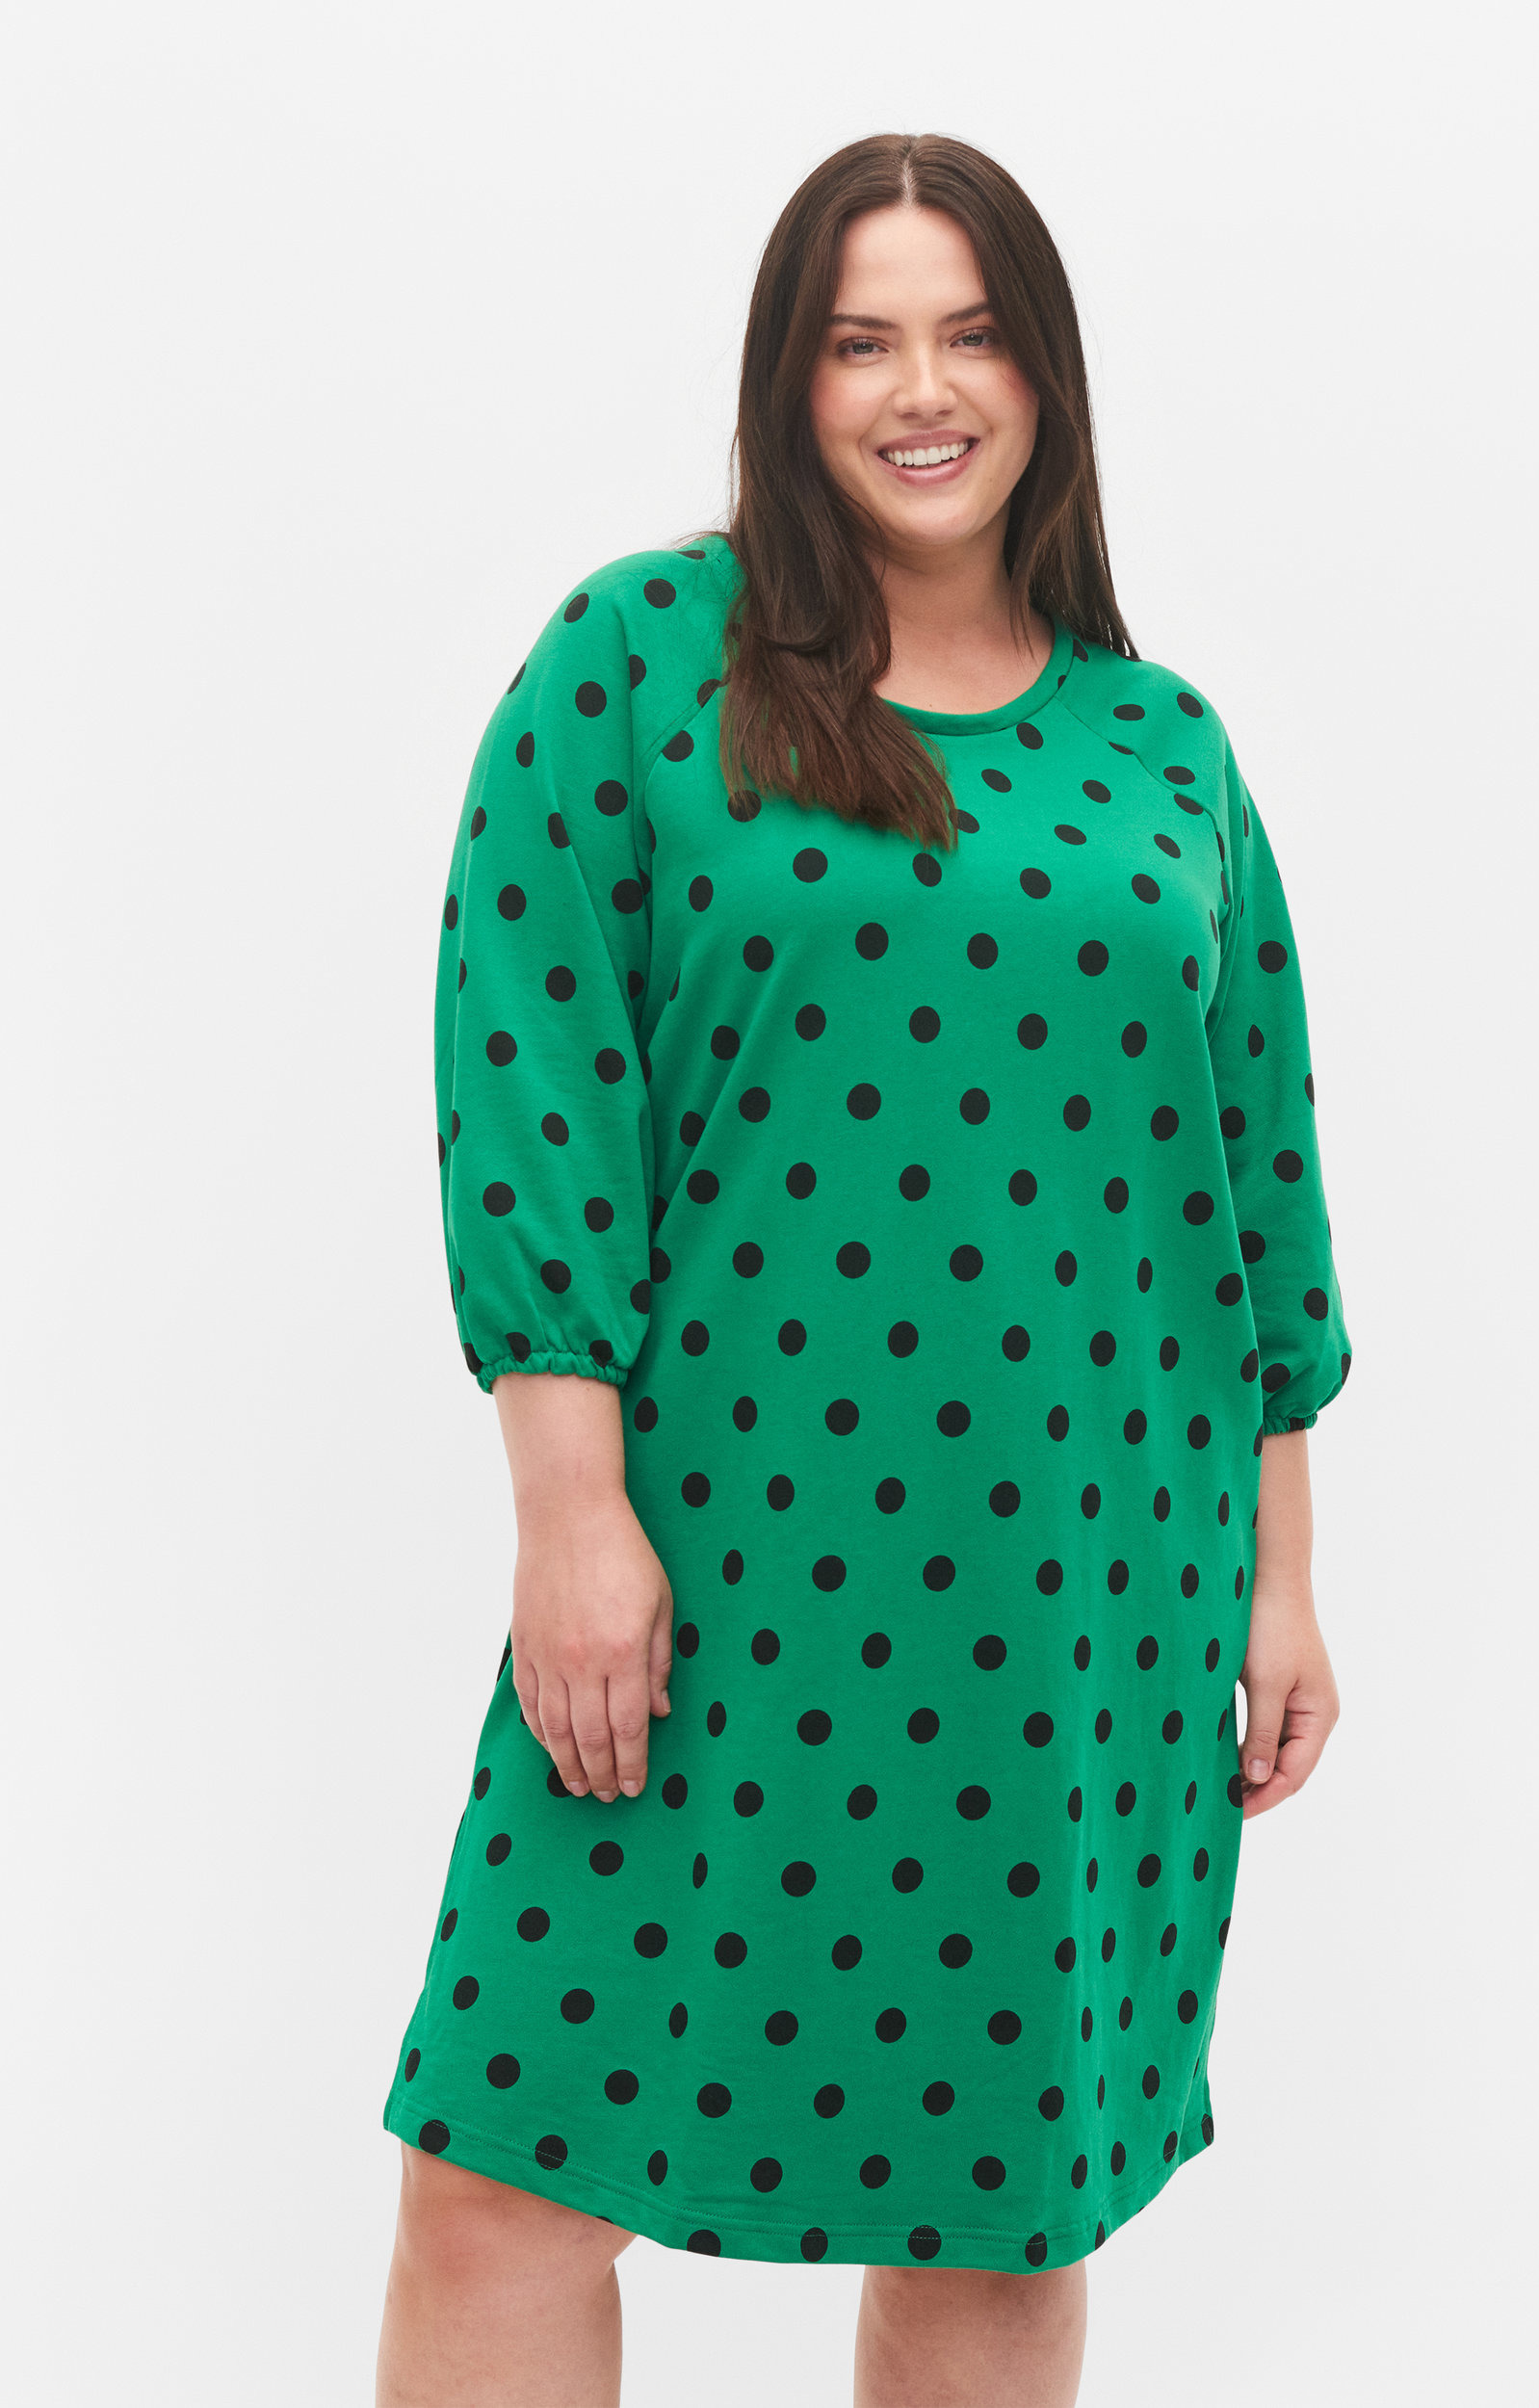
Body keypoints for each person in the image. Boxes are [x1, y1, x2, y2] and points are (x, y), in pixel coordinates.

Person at [376, 130, 1352, 2408]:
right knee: (503, 2172)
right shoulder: (643, 659)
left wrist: (1280, 1578)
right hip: (715, 1563)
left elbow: (1257, 1181)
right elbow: (534, 1079)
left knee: (995, 2196)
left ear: (1043, 375)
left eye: (972, 332)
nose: (923, 389)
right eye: (859, 341)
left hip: (1078, 1583)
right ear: (786, 381)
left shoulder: (1159, 745)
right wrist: (569, 1509)